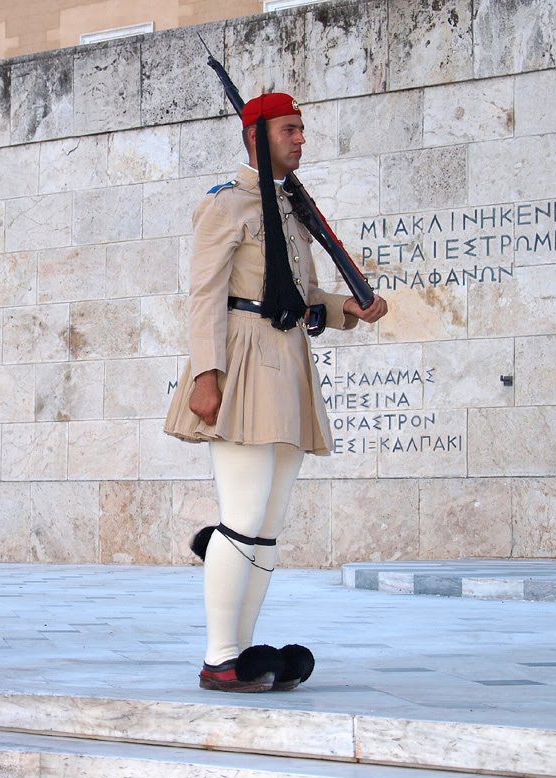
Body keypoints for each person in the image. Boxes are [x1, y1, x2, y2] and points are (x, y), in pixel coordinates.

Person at [163, 93, 387, 692]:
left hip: (287, 361)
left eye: (303, 129)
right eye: (290, 130)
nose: (301, 139)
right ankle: (219, 657)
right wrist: (206, 375)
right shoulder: (226, 205)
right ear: (257, 136)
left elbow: (297, 294)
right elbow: (205, 295)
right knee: (240, 518)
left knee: (267, 521)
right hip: (241, 363)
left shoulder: (288, 208)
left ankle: (242, 649)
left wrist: (348, 309)